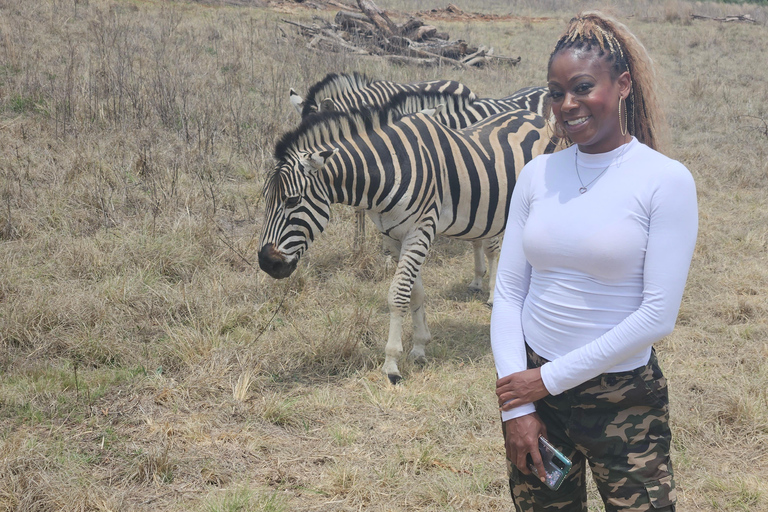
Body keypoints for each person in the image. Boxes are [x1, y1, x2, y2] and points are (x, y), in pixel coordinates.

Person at [490, 11, 698, 512]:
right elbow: (510, 294)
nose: (568, 105)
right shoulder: (538, 174)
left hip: (623, 401)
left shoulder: (664, 180)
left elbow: (656, 316)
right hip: (537, 397)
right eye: (556, 92)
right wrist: (518, 406)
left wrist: (547, 379)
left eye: (583, 87)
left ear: (623, 84)